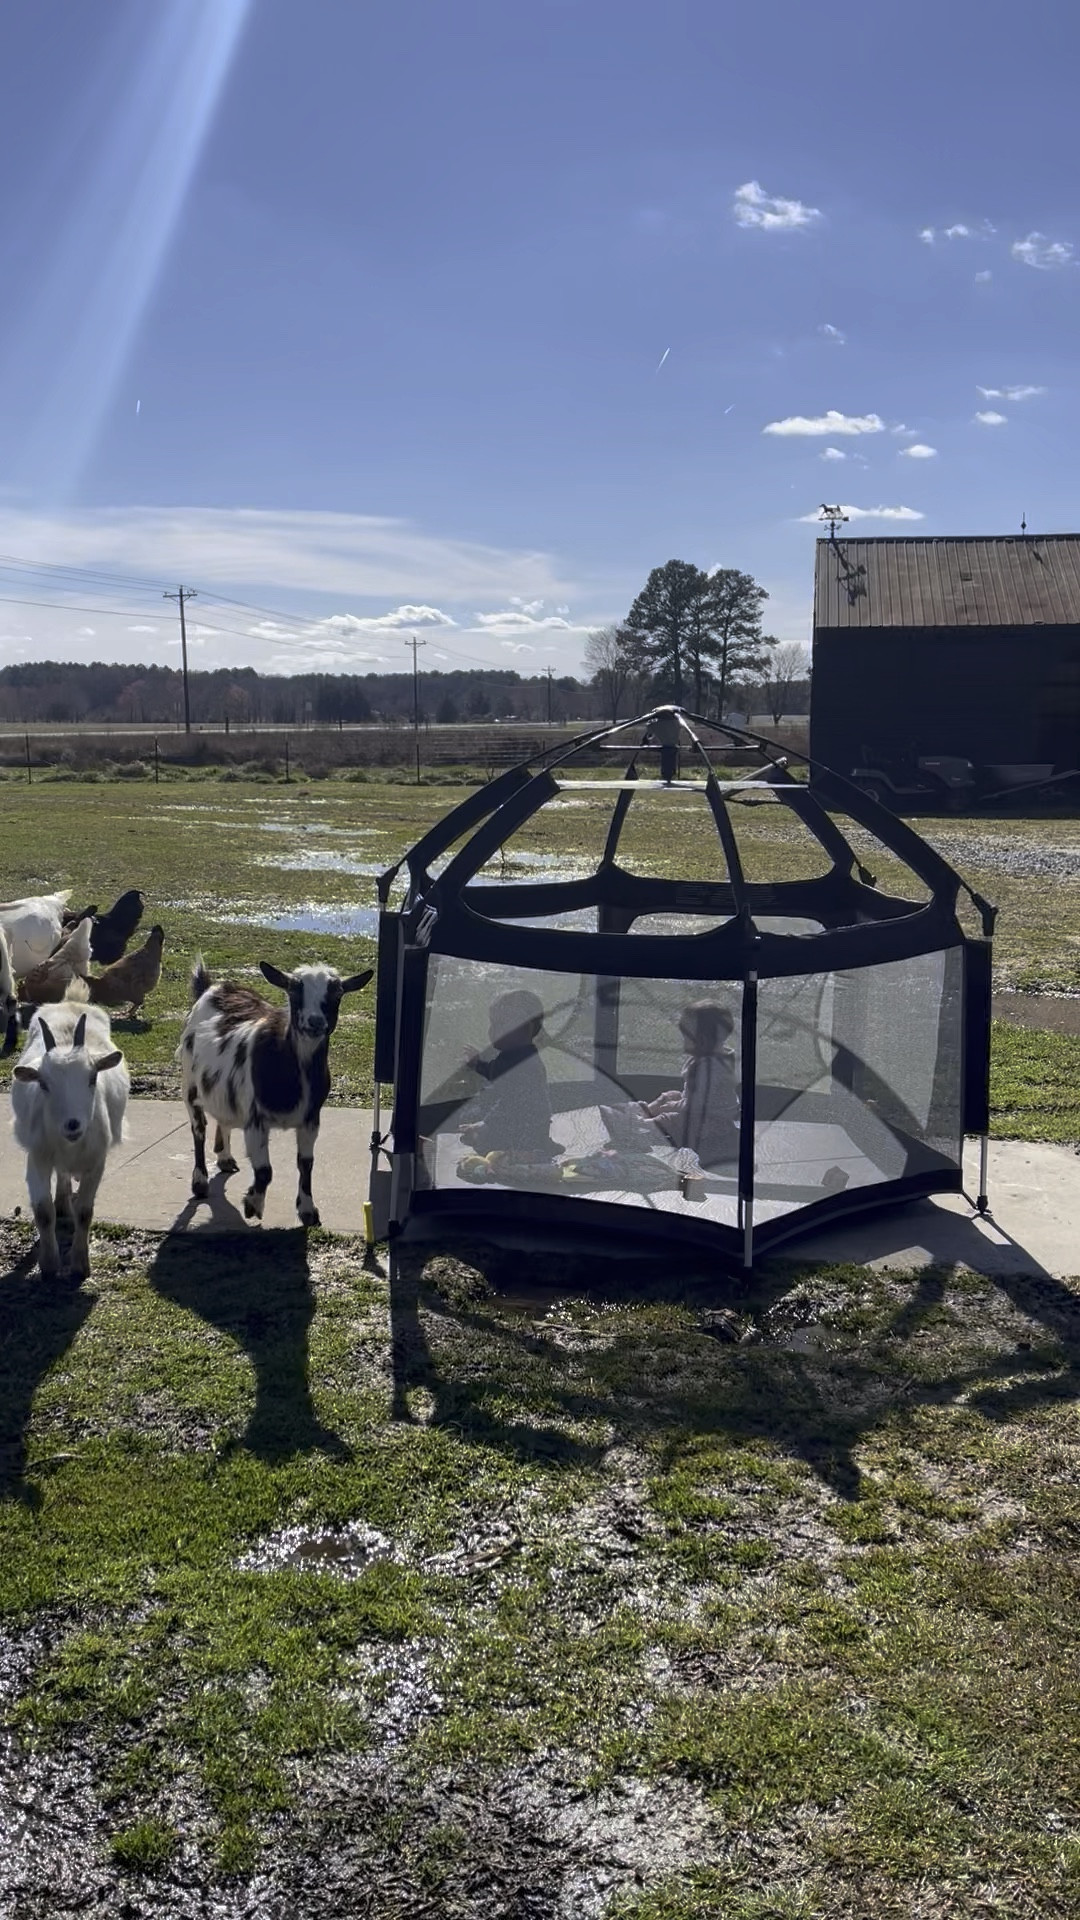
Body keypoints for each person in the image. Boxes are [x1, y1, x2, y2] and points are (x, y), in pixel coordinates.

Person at [459, 988, 558, 1159]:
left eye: (500, 1024)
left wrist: (485, 1125)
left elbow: (510, 1102)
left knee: (474, 1130)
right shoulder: (522, 1054)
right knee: (473, 1113)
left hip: (525, 1128)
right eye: (492, 1023)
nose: (492, 1030)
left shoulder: (520, 1061)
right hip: (530, 1118)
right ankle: (538, 1141)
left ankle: (532, 1146)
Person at [640, 999, 739, 1168]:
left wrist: (671, 1106)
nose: (683, 1042)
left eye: (686, 1037)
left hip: (708, 1123)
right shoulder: (721, 1058)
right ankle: (644, 1112)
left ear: (702, 1040)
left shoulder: (706, 1068)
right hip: (715, 1114)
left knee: (670, 1119)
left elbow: (695, 1106)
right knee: (671, 1095)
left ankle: (638, 1126)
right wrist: (674, 1101)